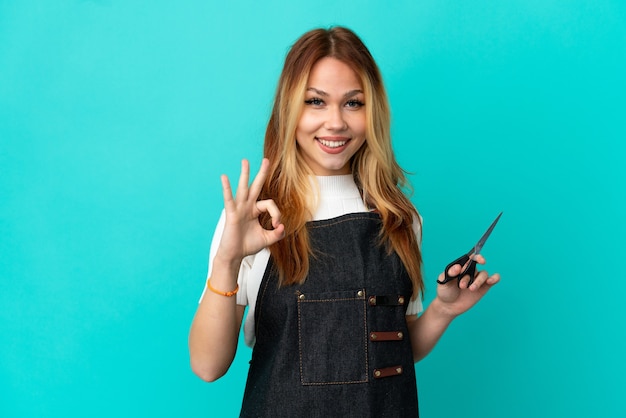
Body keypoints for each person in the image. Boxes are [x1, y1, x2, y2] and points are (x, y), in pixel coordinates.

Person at [188, 26, 500, 417]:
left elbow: (392, 351)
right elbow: (207, 366)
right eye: (315, 102)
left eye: (353, 103)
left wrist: (444, 310)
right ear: (289, 108)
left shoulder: (401, 219)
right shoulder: (254, 218)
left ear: (374, 111)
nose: (335, 122)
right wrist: (227, 262)